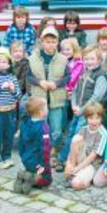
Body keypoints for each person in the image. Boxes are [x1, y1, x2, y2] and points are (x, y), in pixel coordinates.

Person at [27, 27, 71, 166]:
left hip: (56, 99)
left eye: (53, 42)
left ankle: (53, 153)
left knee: (56, 130)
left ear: (57, 42)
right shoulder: (32, 58)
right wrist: (40, 82)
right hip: (39, 100)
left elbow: (67, 77)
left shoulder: (63, 59)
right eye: (47, 42)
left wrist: (56, 84)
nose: (50, 45)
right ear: (42, 42)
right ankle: (40, 152)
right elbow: (29, 76)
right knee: (40, 128)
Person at [61, 45, 107, 167]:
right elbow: (75, 90)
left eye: (92, 59)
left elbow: (96, 96)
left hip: (89, 113)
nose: (89, 61)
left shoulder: (101, 76)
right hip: (78, 110)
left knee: (79, 136)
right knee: (71, 133)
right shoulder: (84, 73)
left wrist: (82, 110)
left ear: (99, 60)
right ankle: (64, 158)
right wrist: (74, 105)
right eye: (86, 59)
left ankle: (74, 161)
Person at [64, 104, 107, 190]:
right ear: (86, 118)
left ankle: (85, 181)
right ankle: (72, 171)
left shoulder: (103, 133)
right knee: (76, 138)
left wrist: (77, 169)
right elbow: (73, 148)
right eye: (91, 118)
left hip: (92, 164)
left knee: (76, 184)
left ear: (101, 119)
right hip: (80, 161)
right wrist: (69, 164)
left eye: (97, 118)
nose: (94, 121)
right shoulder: (83, 129)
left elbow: (93, 156)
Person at [14, 97, 52, 194]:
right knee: (47, 179)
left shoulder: (25, 123)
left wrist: (23, 155)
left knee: (31, 169)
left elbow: (20, 142)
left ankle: (23, 176)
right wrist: (44, 165)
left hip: (26, 159)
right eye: (46, 107)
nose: (48, 108)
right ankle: (32, 180)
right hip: (38, 161)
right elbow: (45, 148)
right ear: (41, 112)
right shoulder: (43, 127)